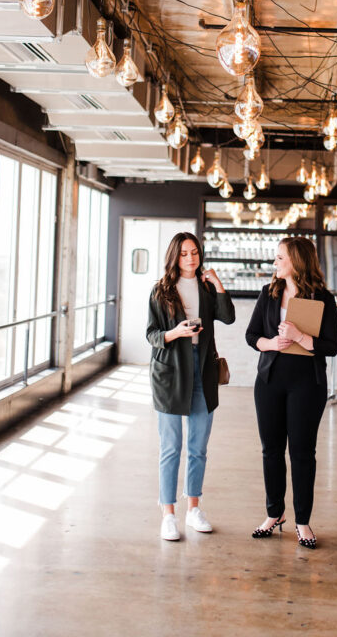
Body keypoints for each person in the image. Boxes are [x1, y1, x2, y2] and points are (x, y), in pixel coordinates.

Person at [245, 236, 337, 549]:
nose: (275, 263)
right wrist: (271, 343)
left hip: (307, 384)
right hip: (269, 380)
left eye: (280, 258)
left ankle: (302, 521)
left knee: (302, 453)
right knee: (271, 450)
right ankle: (274, 514)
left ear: (297, 262)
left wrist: (299, 336)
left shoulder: (323, 298)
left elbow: (332, 346)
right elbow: (251, 335)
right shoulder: (268, 293)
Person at [146, 231, 235, 541]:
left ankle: (193, 509)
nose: (190, 258)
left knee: (198, 447)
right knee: (171, 447)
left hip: (203, 369)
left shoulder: (207, 287)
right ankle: (168, 514)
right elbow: (152, 335)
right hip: (171, 371)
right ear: (175, 256)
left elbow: (228, 317)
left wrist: (218, 284)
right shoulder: (161, 290)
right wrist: (176, 333)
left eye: (194, 252)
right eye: (184, 253)